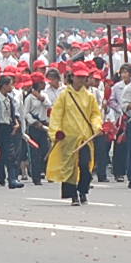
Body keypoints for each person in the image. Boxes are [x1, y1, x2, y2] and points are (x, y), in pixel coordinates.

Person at [47, 62, 102, 206]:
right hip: (68, 138)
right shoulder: (64, 95)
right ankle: (73, 196)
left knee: (85, 165)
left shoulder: (90, 96)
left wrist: (97, 126)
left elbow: (95, 114)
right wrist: (55, 133)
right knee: (70, 168)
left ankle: (83, 191)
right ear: (73, 77)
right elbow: (56, 115)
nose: (81, 80)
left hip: (85, 138)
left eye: (84, 77)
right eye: (79, 77)